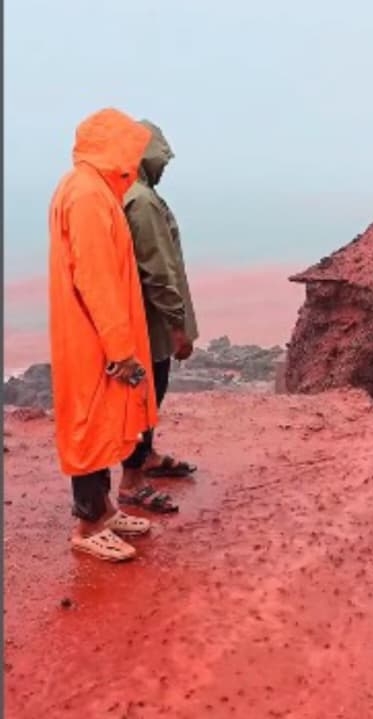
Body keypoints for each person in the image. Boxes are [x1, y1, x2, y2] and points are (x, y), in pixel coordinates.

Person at [47, 108, 160, 561]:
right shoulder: (89, 196)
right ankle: (87, 524)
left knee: (101, 424)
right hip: (94, 339)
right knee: (91, 428)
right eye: (132, 148)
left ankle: (105, 510)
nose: (137, 158)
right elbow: (96, 279)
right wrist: (121, 350)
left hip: (91, 335)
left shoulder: (87, 188)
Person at [122, 120, 200, 488]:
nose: (164, 167)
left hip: (144, 317)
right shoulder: (142, 200)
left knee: (149, 395)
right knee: (146, 395)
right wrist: (177, 324)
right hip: (152, 323)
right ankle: (132, 481)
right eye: (161, 160)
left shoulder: (134, 193)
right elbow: (157, 268)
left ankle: (146, 457)